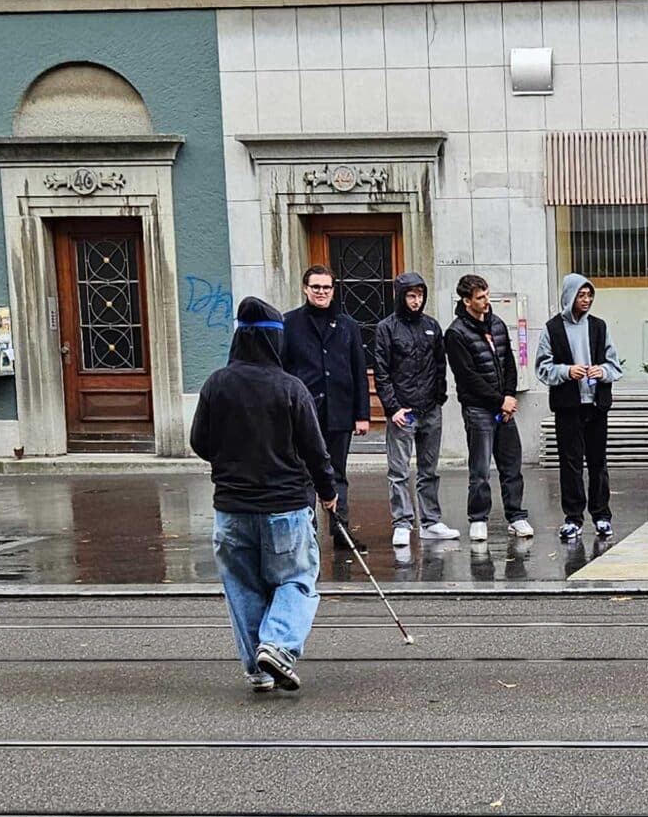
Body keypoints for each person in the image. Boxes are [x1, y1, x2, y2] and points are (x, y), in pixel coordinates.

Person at [190, 297, 340, 694]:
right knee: (296, 580)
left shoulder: (216, 384)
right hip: (285, 506)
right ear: (276, 342)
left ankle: (257, 668)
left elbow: (199, 441)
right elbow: (315, 448)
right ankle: (278, 645)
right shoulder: (291, 388)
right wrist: (328, 492)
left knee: (243, 588)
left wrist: (228, 462)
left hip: (232, 509)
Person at [282, 264, 371, 548]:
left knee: (337, 474)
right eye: (316, 287)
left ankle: (340, 531)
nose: (321, 292)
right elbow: (282, 371)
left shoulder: (348, 325)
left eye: (326, 287)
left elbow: (359, 370)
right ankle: (306, 533)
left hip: (340, 412)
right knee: (305, 474)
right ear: (305, 288)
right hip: (302, 413)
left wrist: (362, 415)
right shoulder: (289, 323)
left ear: (334, 290)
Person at [372, 271, 458, 548]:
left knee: (429, 470)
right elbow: (382, 371)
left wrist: (440, 396)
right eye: (411, 295)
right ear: (400, 296)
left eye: (420, 295)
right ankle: (402, 522)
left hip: (430, 407)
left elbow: (440, 364)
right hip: (403, 410)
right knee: (398, 471)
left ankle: (431, 521)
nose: (416, 301)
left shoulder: (431, 325)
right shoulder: (387, 328)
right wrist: (392, 407)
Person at [444, 273, 532, 541]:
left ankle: (516, 516)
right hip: (478, 409)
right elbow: (467, 377)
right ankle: (478, 518)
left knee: (511, 465)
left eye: (487, 294)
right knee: (480, 468)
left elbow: (509, 363)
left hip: (503, 407)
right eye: (480, 297)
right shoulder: (456, 333)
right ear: (466, 300)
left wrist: (509, 396)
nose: (486, 301)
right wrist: (499, 400)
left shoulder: (497, 324)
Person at [537, 272, 623, 542]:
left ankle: (602, 516)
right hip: (568, 406)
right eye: (581, 295)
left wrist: (602, 372)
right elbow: (542, 367)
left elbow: (614, 365)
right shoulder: (552, 329)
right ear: (569, 296)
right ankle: (573, 518)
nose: (586, 300)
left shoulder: (599, 326)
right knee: (570, 463)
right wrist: (566, 371)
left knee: (598, 462)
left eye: (589, 295)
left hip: (596, 405)